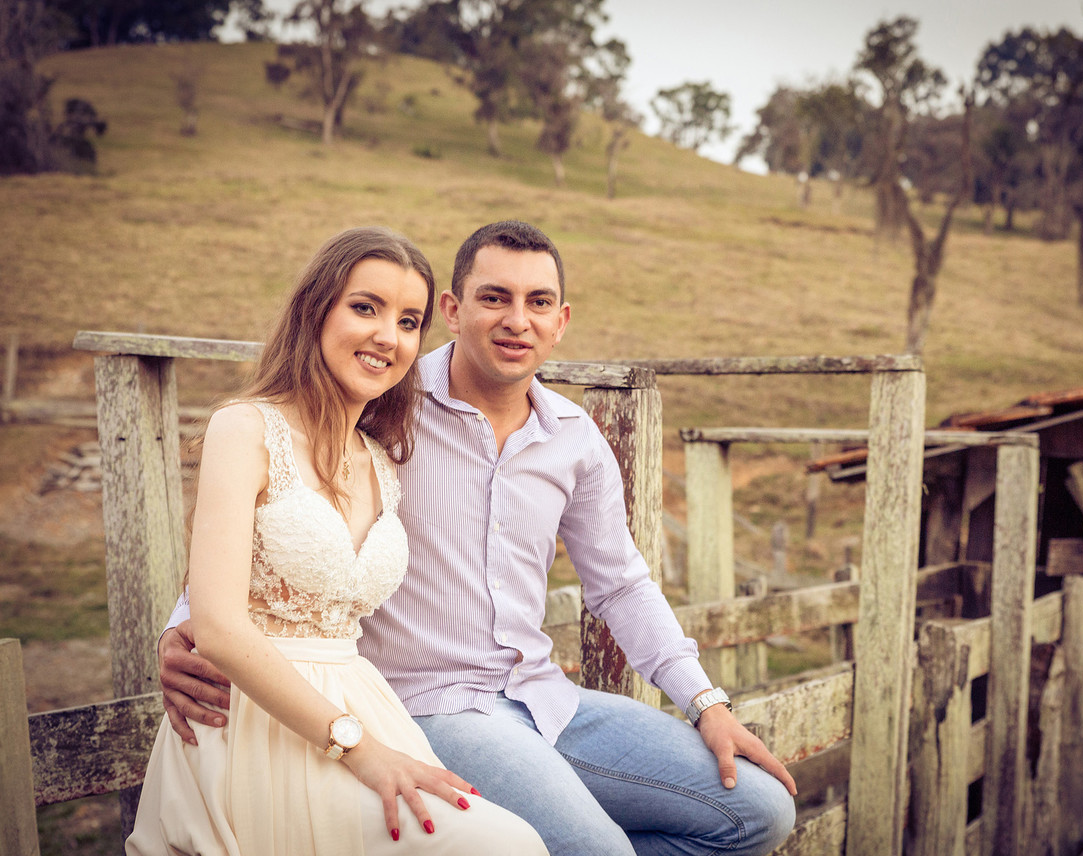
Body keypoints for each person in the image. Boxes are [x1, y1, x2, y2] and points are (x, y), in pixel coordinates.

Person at [158, 221, 798, 856]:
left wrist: (706, 701)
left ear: (561, 320)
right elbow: (284, 509)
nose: (517, 320)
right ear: (453, 310)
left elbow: (622, 584)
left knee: (760, 812)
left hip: (541, 696)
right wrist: (184, 625)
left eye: (537, 302)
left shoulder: (574, 438)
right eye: (494, 298)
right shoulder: (385, 402)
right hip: (426, 706)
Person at [126, 226, 547, 856]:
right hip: (256, 724)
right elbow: (216, 618)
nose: (388, 336)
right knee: (506, 847)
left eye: (409, 321)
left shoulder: (382, 459)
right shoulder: (244, 429)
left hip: (367, 703)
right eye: (365, 307)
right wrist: (176, 629)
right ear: (315, 310)